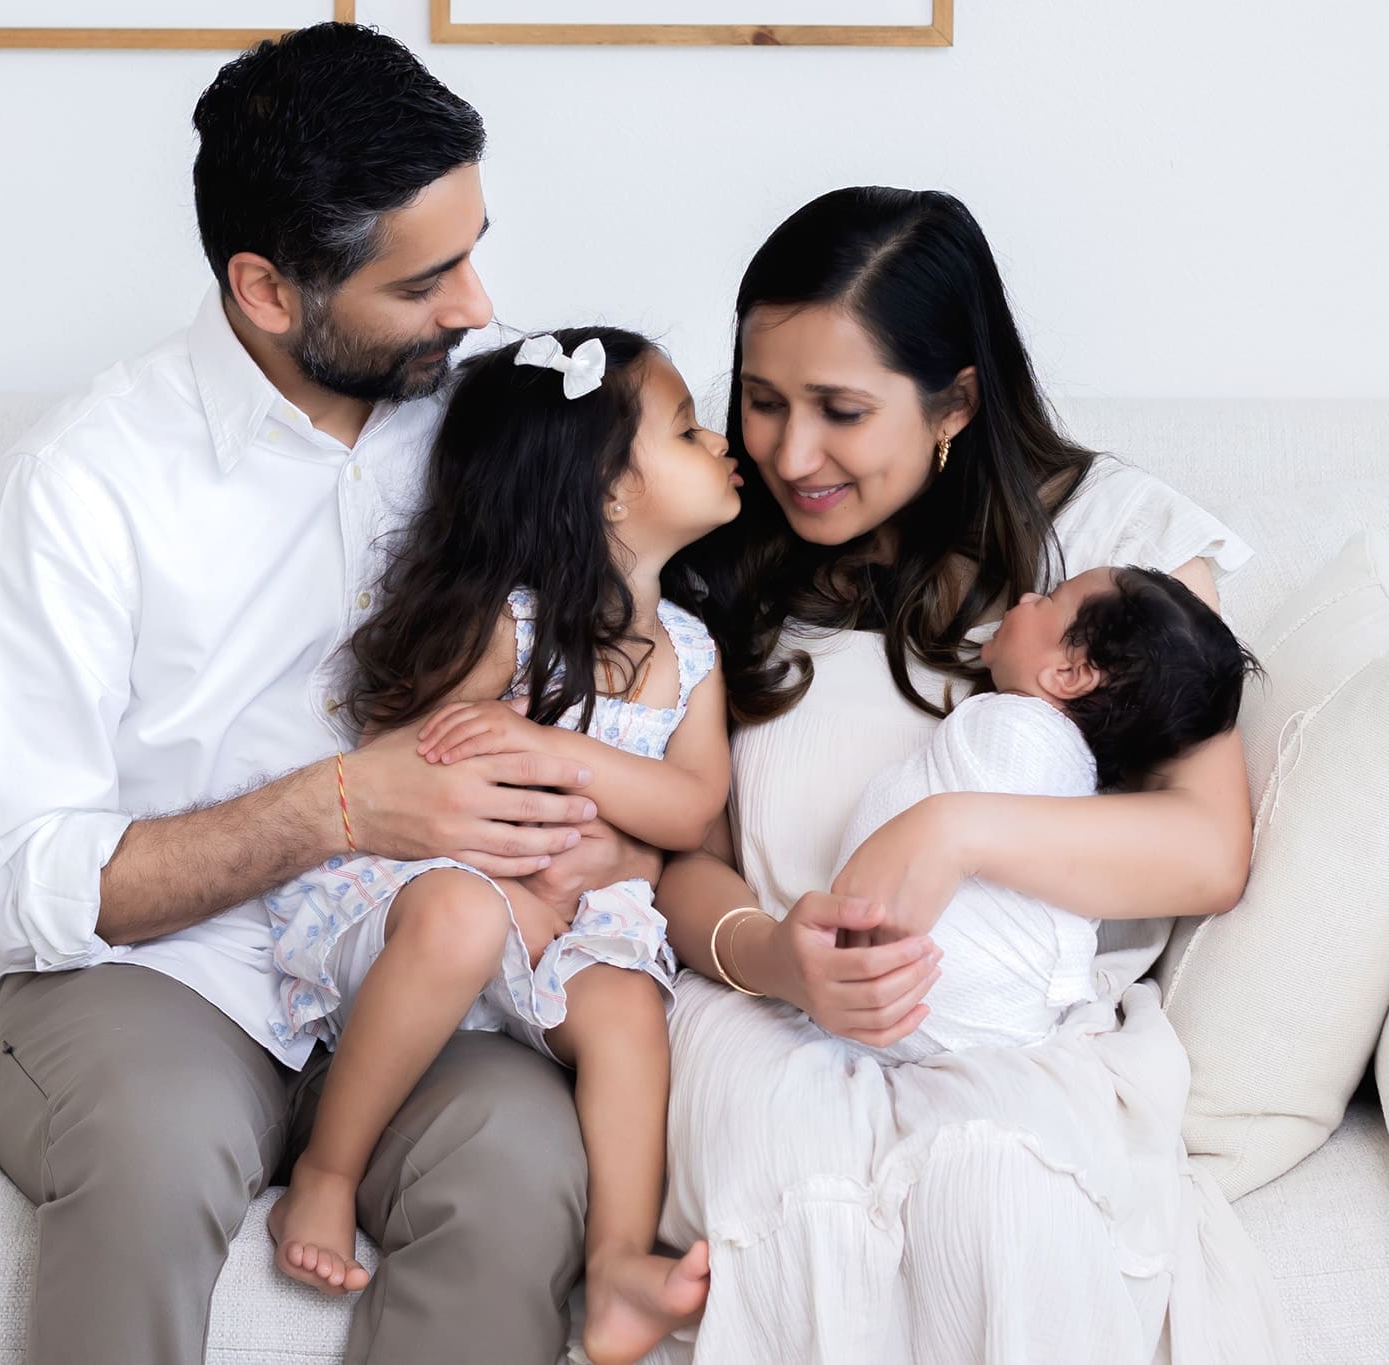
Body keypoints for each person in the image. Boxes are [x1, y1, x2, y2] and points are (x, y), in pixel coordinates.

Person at [0, 27, 650, 1365]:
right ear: (267, 291)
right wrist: (338, 807)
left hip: (430, 973)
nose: (478, 306)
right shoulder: (83, 482)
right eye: (425, 278)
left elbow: (668, 605)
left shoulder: (499, 431)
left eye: (475, 246)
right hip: (159, 981)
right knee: (150, 1150)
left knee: (519, 1172)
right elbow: (18, 876)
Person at [645, 186, 1292, 1361]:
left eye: (841, 410)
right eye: (759, 399)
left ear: (952, 402)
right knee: (810, 1215)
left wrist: (954, 830)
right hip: (766, 1012)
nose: (791, 454)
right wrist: (776, 958)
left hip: (1018, 1038)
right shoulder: (708, 545)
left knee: (993, 1192)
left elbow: (1204, 850)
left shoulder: (1112, 547)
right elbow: (674, 860)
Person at [262, 328, 731, 1364]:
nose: (725, 443)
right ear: (610, 494)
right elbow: (410, 781)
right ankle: (328, 1173)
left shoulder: (689, 656)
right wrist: (527, 767)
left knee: (625, 1010)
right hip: (431, 906)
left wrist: (554, 757)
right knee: (462, 913)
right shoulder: (504, 629)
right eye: (692, 430)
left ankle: (615, 1266)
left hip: (561, 930)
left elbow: (692, 810)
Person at [836, 565, 1260, 1061]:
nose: (1027, 594)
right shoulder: (1054, 761)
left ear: (1070, 674)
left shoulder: (1025, 736)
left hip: (937, 1007)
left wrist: (949, 831)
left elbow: (1211, 857)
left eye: (1048, 599)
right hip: (937, 1023)